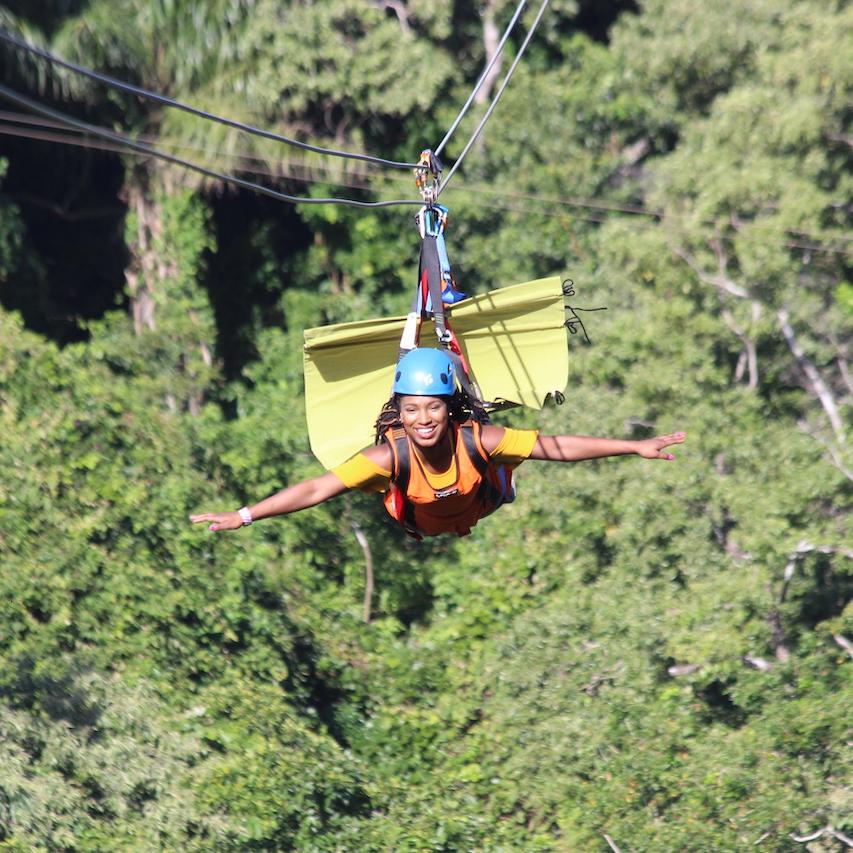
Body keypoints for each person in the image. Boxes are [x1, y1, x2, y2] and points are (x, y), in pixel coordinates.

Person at [190, 348, 685, 538]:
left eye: (432, 407)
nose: (423, 419)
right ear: (399, 416)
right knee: (376, 483)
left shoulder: (477, 439)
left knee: (513, 452)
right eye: (411, 410)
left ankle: (504, 473)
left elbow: (557, 447)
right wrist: (245, 514)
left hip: (481, 501)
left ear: (449, 407)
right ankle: (499, 475)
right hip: (419, 517)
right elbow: (316, 489)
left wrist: (632, 446)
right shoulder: (390, 454)